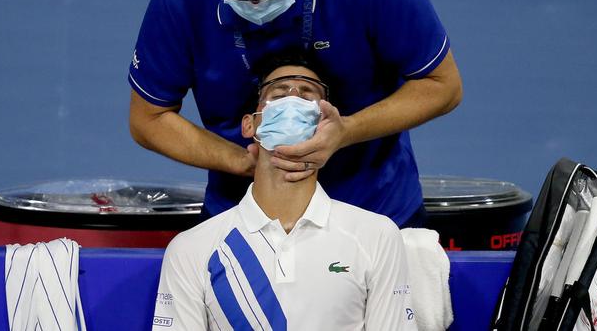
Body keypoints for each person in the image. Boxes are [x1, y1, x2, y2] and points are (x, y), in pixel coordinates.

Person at [128, 0, 462, 227]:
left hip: (376, 211)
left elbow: (443, 85)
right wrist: (242, 161)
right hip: (240, 215)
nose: (257, 7)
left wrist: (346, 131)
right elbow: (148, 119)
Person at [152, 57, 416, 330]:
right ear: (250, 125)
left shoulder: (377, 236)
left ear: (328, 125)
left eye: (307, 95)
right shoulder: (192, 248)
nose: (292, 97)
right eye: (277, 94)